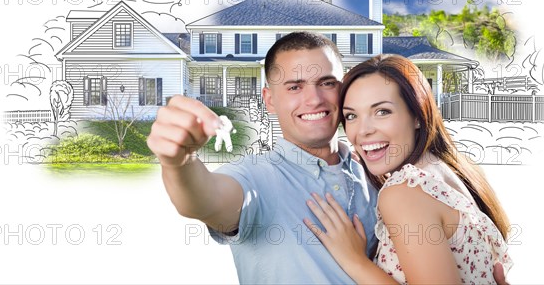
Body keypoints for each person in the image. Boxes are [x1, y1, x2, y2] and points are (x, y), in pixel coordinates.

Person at [147, 32, 379, 284]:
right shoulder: (255, 175)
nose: (314, 99)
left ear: (343, 89)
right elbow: (205, 201)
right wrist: (179, 162)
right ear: (270, 100)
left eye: (327, 83)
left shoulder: (371, 169)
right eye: (294, 87)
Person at [303, 54, 513, 284]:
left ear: (418, 116)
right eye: (351, 116)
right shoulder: (453, 171)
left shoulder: (405, 192)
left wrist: (355, 261)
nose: (362, 131)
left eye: (382, 111)